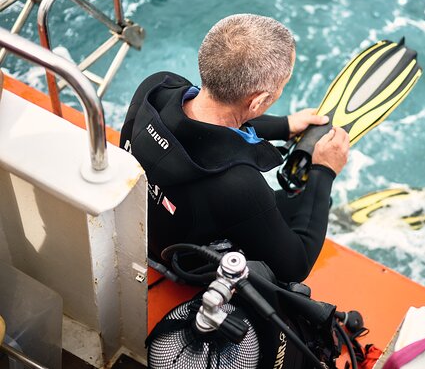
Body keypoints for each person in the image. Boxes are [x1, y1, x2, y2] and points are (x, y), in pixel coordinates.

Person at [120, 14, 349, 282]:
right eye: (281, 86)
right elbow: (295, 267)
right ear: (260, 100)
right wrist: (324, 170)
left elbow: (212, 115)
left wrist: (284, 126)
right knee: (297, 204)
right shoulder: (237, 184)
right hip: (181, 267)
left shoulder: (157, 88)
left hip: (135, 228)